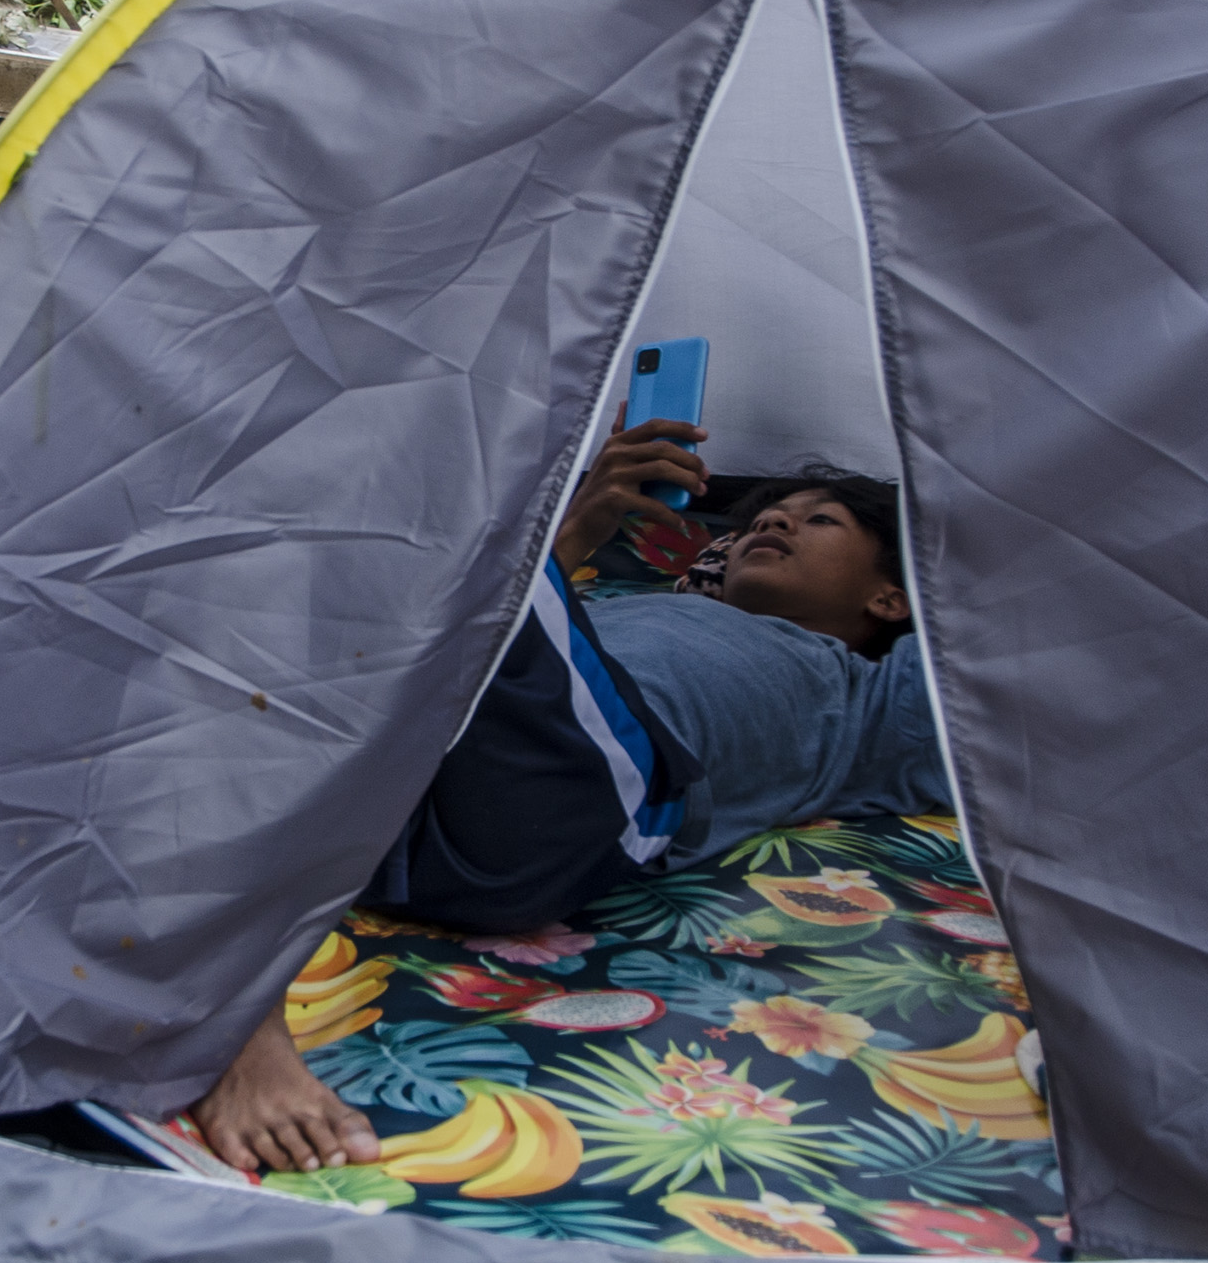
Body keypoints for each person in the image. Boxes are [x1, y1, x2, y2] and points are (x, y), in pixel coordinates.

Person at [196, 421, 952, 1172]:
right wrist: (582, 525)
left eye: (820, 518)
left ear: (891, 598)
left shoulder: (879, 700)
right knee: (242, 645)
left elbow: (1025, 609)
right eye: (760, 518)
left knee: (408, 499)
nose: (776, 520)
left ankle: (233, 1017)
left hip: (557, 799)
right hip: (397, 776)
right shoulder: (622, 604)